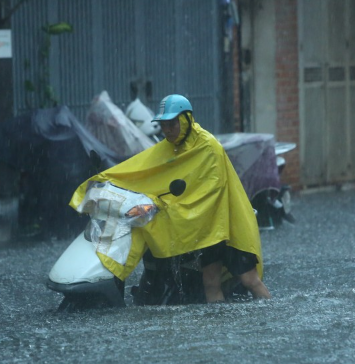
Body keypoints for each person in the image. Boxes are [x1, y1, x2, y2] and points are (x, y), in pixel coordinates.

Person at [69, 94, 271, 302]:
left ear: (186, 119)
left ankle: (269, 319)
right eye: (163, 125)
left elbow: (211, 192)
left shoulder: (209, 147)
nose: (167, 130)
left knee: (250, 280)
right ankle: (215, 331)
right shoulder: (167, 148)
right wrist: (109, 180)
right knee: (210, 284)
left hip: (228, 225)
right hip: (207, 232)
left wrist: (172, 207)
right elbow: (143, 171)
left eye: (172, 124)